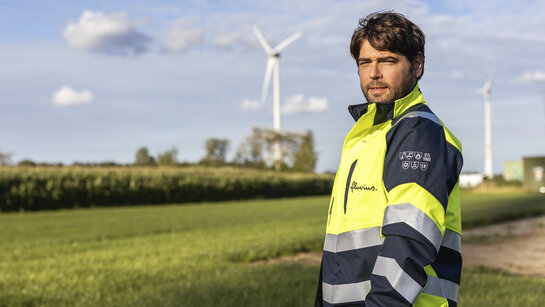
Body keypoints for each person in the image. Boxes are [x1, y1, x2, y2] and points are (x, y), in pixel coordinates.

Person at [315, 11, 463, 307]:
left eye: (388, 61)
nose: (374, 73)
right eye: (365, 62)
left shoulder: (420, 133)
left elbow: (410, 240)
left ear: (417, 65)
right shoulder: (367, 135)